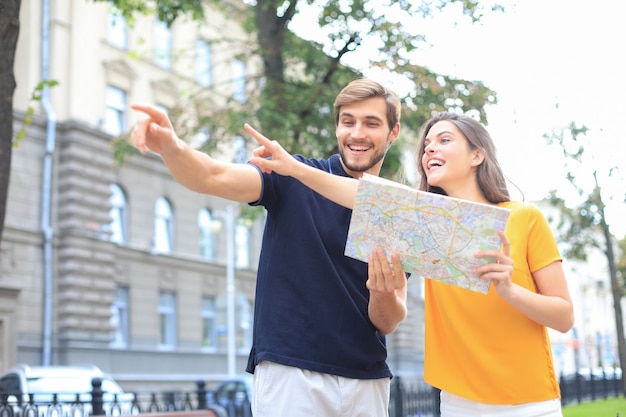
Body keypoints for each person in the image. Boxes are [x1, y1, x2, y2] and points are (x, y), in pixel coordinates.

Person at [246, 111, 574, 417]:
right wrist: (294, 168)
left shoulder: (524, 217)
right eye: (426, 145)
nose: (430, 149)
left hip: (530, 402)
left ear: (477, 155)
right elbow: (359, 195)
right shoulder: (425, 225)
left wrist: (509, 291)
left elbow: (563, 316)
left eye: (444, 140)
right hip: (459, 402)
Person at [130, 78, 409, 417]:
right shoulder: (292, 175)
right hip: (291, 373)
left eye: (371, 123)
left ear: (393, 132)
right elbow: (211, 175)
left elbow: (388, 320)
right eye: (348, 121)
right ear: (337, 128)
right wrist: (172, 146)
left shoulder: (398, 212)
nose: (357, 133)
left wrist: (381, 293)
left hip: (368, 381)